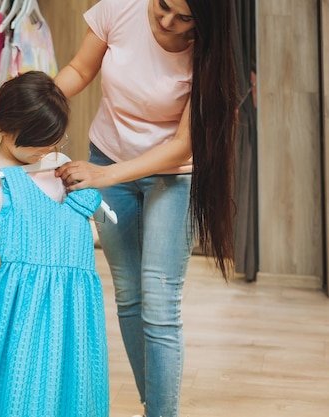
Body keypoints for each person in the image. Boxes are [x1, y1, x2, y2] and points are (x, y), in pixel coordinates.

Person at [53, 0, 238, 416]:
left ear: (204, 20)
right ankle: (153, 407)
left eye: (184, 17)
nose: (168, 21)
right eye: (164, 6)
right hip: (109, 155)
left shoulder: (211, 53)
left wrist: (105, 176)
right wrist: (32, 99)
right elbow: (81, 70)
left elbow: (182, 146)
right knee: (130, 297)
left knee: (160, 305)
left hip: (174, 174)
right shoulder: (119, 8)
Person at [0, 70, 109, 416]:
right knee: (7, 393)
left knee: (63, 390)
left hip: (65, 312)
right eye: (38, 141)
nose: (46, 151)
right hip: (5, 312)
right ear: (4, 128)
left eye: (55, 141)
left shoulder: (60, 167)